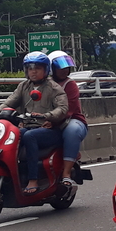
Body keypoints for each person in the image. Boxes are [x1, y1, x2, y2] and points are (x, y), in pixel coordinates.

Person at [0, 51, 68, 195]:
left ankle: (33, 179)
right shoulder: (23, 86)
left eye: (37, 68)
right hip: (29, 127)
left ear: (46, 70)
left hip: (50, 130)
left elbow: (62, 108)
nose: (33, 71)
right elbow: (11, 101)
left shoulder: (54, 88)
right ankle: (14, 175)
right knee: (16, 134)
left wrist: (47, 116)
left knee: (30, 136)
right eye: (30, 68)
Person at [48, 51, 88, 187]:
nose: (64, 70)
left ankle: (66, 173)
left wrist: (50, 120)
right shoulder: (45, 84)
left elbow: (68, 110)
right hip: (47, 119)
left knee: (72, 130)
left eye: (66, 67)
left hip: (71, 119)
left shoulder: (70, 85)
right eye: (59, 67)